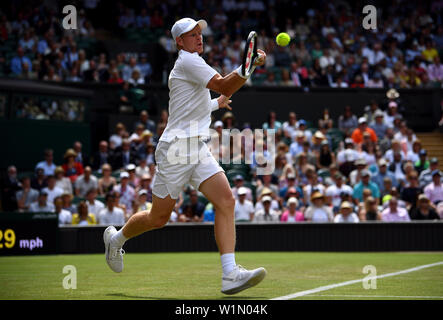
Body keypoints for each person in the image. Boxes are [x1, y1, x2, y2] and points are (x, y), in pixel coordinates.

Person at [103, 17, 267, 295]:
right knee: (158, 218)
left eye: (200, 33)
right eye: (192, 35)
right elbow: (226, 85)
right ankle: (116, 240)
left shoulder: (194, 64)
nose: (199, 38)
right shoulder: (188, 61)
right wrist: (247, 66)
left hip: (198, 148)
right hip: (176, 150)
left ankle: (230, 274)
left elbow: (202, 102)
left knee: (226, 200)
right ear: (179, 41)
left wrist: (217, 102)